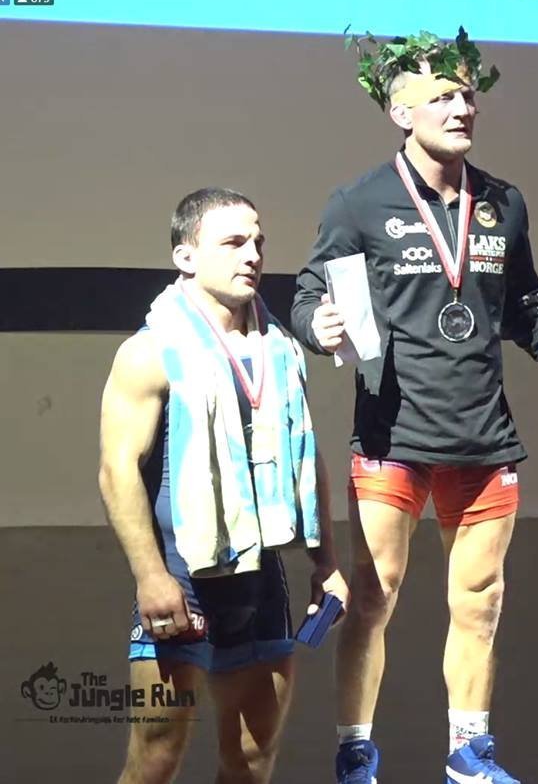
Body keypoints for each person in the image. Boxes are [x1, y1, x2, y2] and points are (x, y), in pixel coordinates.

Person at [290, 29, 538, 784]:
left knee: (481, 600)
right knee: (373, 598)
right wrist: (317, 324)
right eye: (442, 96)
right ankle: (356, 750)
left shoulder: (504, 202)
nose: (462, 107)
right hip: (393, 435)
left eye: (468, 94)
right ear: (401, 112)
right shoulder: (359, 202)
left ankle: (469, 753)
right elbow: (307, 293)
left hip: (483, 436)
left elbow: (526, 306)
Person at [98, 187, 348, 784]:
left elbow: (306, 457)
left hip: (261, 580)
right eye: (233, 242)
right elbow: (116, 470)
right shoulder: (149, 351)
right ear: (185, 256)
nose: (253, 254)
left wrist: (326, 561)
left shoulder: (280, 350)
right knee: (155, 757)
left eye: (258, 241)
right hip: (179, 581)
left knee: (253, 761)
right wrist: (150, 577)